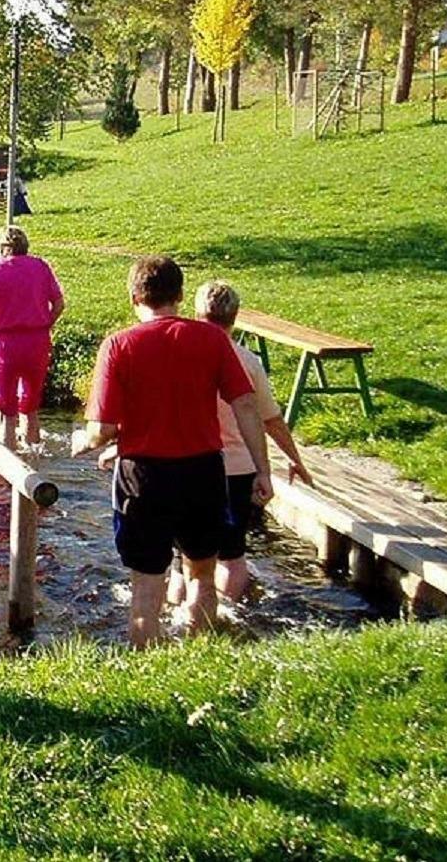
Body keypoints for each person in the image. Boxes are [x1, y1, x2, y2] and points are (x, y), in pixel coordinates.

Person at [71, 256, 272, 648]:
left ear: (134, 298)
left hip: (143, 477)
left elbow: (102, 430)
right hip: (203, 472)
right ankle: (199, 655)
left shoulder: (119, 345)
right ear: (179, 295)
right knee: (202, 576)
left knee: (147, 587)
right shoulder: (213, 339)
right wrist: (262, 470)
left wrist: (84, 440)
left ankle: (147, 665)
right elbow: (246, 406)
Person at [192, 280, 313, 601]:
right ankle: (228, 611)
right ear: (236, 317)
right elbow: (271, 420)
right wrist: (294, 459)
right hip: (238, 468)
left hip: (193, 464)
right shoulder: (248, 362)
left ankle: (182, 612)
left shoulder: (184, 357)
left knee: (184, 559)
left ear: (196, 313)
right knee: (232, 554)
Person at [0, 225, 65, 449]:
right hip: (37, 341)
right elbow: (59, 304)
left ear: (1, 248)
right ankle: (35, 457)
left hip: (3, 344)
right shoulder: (41, 267)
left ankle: (9, 462)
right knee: (30, 407)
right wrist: (44, 324)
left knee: (6, 412)